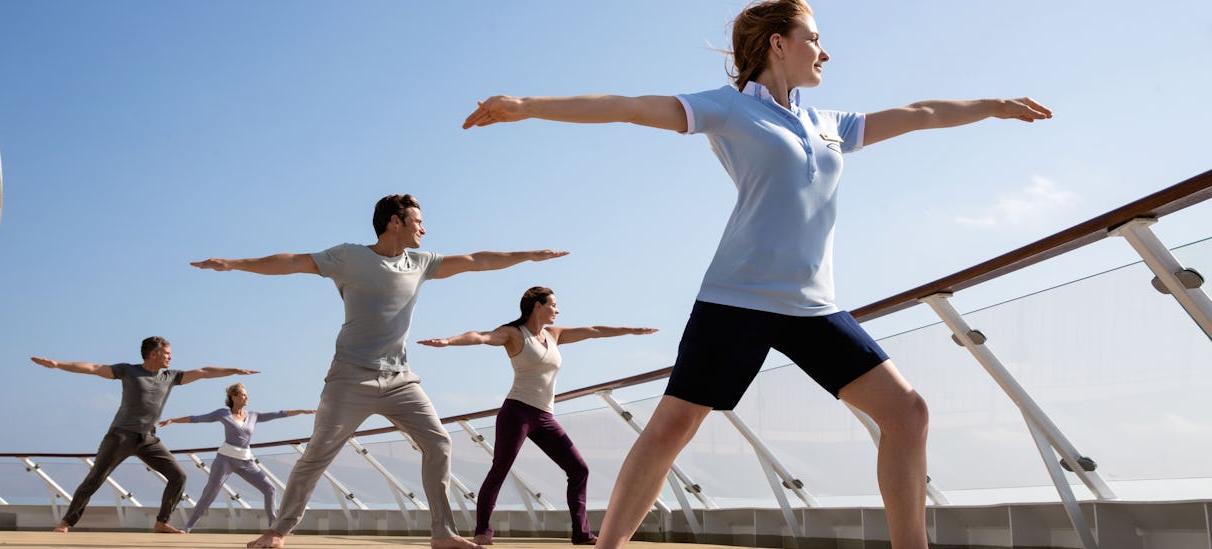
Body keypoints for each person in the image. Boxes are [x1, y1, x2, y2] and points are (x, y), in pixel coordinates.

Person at [461, 1, 1052, 547]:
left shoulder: (829, 124)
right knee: (673, 428)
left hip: (813, 306)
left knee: (908, 412)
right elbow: (629, 106)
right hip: (737, 297)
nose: (825, 52)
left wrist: (994, 106)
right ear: (778, 44)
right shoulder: (729, 107)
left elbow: (921, 113)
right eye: (814, 39)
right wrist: (528, 105)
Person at [191, 193, 568, 549]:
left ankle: (442, 534)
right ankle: (278, 531)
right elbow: (291, 261)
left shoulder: (420, 263)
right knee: (318, 454)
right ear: (394, 222)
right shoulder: (349, 258)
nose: (424, 229)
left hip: (400, 379)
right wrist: (234, 263)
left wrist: (530, 256)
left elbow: (475, 260)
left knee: (438, 442)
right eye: (418, 221)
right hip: (350, 376)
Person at [418, 286, 657, 546]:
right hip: (517, 411)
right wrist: (448, 341)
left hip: (545, 416)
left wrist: (631, 330)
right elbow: (481, 336)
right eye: (553, 304)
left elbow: (594, 331)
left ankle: (581, 533)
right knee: (500, 468)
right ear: (538, 306)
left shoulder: (555, 334)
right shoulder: (513, 334)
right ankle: (482, 532)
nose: (557, 309)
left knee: (579, 469)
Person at [30, 336, 260, 534]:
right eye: (167, 353)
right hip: (120, 436)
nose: (170, 357)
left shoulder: (169, 377)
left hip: (148, 438)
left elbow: (203, 372)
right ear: (153, 354)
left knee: (178, 476)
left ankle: (162, 523)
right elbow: (92, 367)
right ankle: (65, 522)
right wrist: (56, 364)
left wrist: (234, 370)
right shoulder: (127, 371)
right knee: (95, 478)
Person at [157, 382, 315, 532]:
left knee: (270, 489)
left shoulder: (253, 415)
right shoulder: (223, 413)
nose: (247, 398)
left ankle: (273, 526)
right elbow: (197, 418)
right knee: (209, 493)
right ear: (233, 396)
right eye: (243, 395)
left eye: (247, 395)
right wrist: (173, 420)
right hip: (224, 460)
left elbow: (279, 414)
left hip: (246, 461)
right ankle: (187, 528)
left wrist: (301, 411)